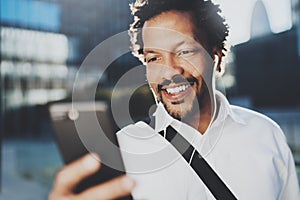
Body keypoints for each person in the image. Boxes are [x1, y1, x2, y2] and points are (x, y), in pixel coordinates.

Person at [49, 0, 300, 199]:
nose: (169, 72)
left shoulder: (267, 135)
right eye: (154, 59)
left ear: (218, 57)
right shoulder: (121, 151)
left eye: (184, 51)